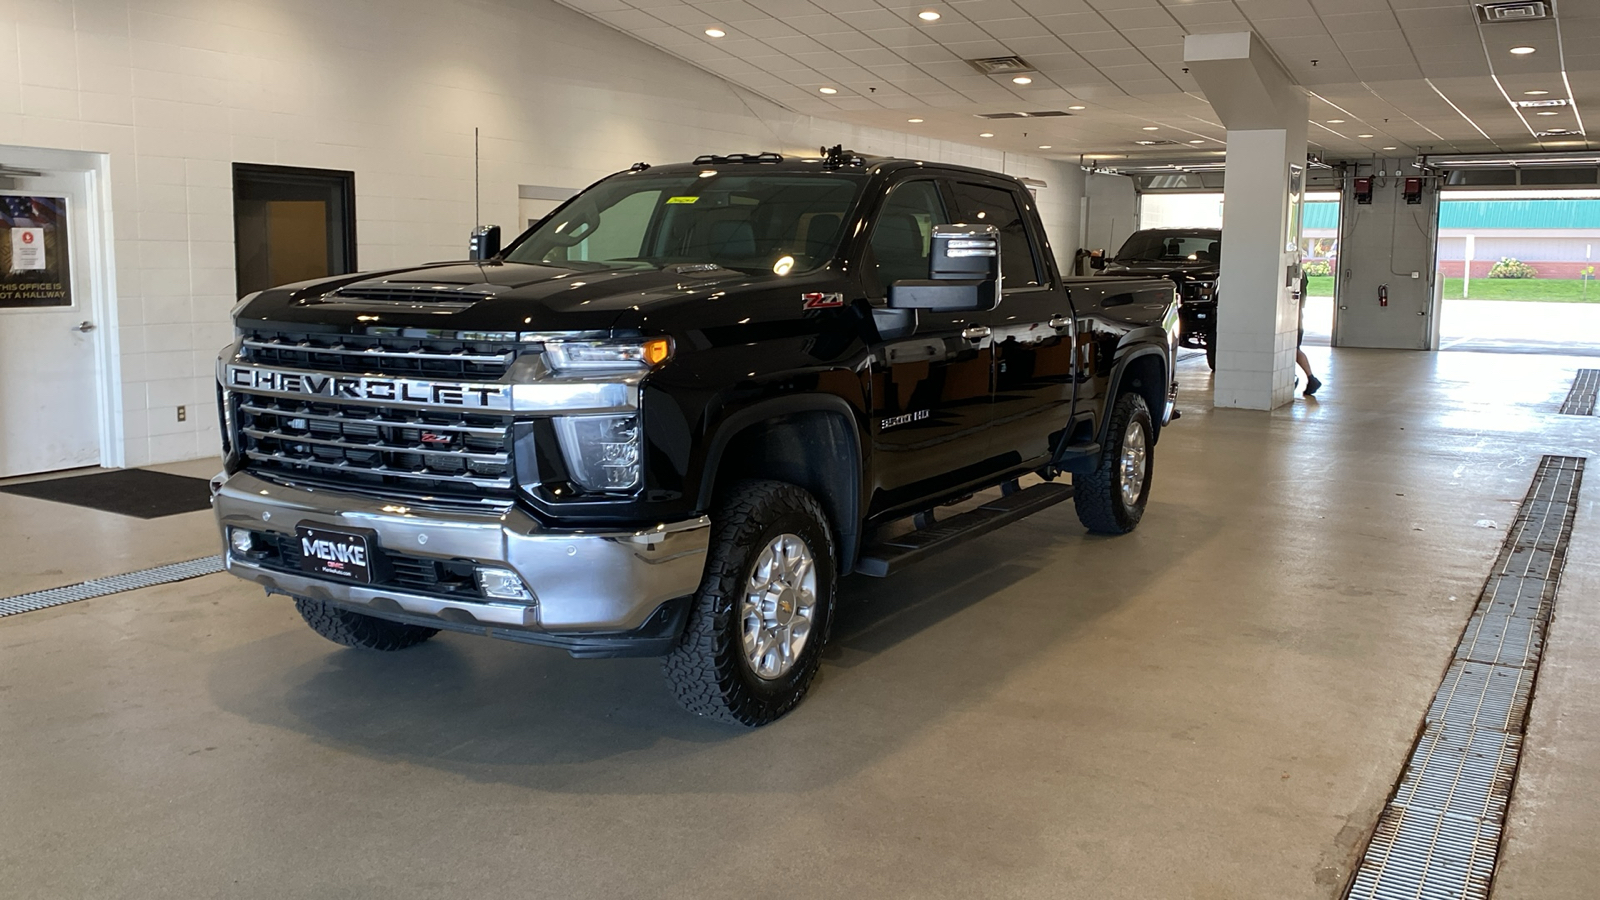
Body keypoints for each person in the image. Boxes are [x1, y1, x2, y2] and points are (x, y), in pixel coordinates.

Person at [1296, 272, 1322, 396]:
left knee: (1294, 350)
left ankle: (1310, 378)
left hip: (1293, 317)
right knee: (1294, 349)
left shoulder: (1299, 273)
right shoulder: (1302, 273)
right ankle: (1307, 378)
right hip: (1296, 316)